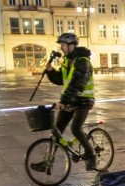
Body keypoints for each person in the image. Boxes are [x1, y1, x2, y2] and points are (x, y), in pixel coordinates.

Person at [40, 32, 97, 170]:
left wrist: (63, 101)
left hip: (83, 101)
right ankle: (47, 163)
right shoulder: (68, 61)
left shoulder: (83, 62)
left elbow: (76, 84)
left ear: (72, 46)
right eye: (61, 45)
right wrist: (50, 71)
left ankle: (91, 155)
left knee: (75, 128)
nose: (61, 48)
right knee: (56, 132)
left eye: (63, 45)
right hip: (71, 101)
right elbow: (61, 79)